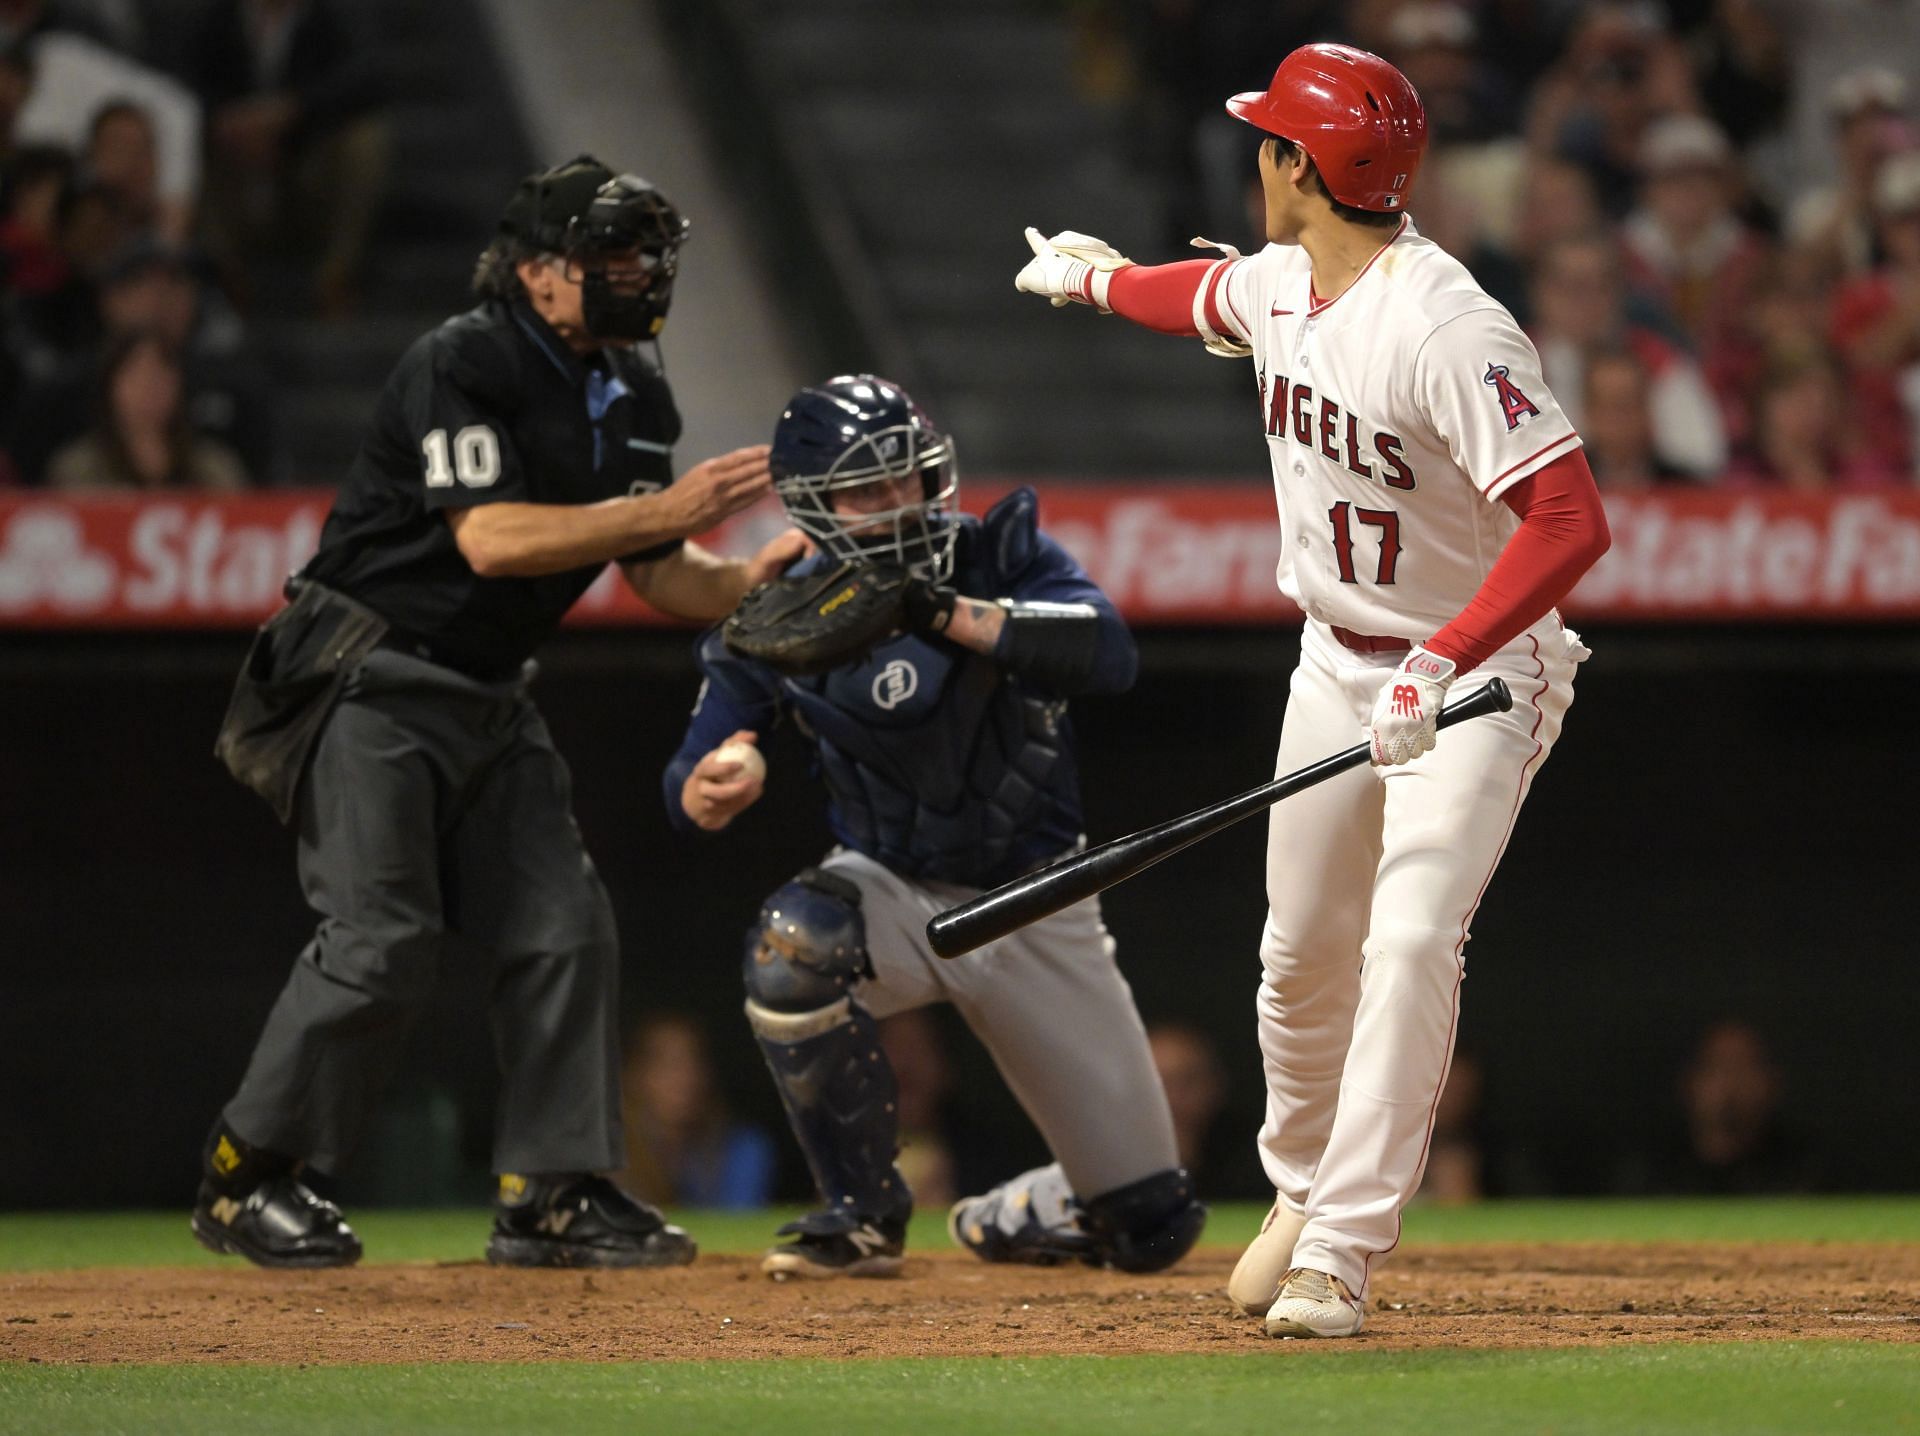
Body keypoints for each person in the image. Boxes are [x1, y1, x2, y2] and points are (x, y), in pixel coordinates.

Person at [1014, 44, 1610, 1338]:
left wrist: (1446, 653)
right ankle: (1300, 1183)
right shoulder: (1289, 281)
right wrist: (1100, 278)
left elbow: (1569, 519)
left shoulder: (1447, 324)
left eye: (1273, 143)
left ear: (1302, 166)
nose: (1257, 159)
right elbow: (1210, 298)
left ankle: (1340, 1246)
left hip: (1477, 673)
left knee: (1408, 941)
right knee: (1295, 958)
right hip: (1339, 658)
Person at [189, 154, 805, 1271]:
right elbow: (491, 537)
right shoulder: (463, 357)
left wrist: (760, 577)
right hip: (369, 668)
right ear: (539, 274)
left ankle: (552, 1191)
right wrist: (658, 511)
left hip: (489, 689)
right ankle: (248, 1173)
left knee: (565, 922)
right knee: (380, 940)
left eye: (647, 249)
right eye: (611, 251)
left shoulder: (635, 390)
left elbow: (662, 572)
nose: (640, 269)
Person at [663, 373, 1206, 1281]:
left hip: (1038, 896)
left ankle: (1029, 1209)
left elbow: (1107, 653)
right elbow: (691, 773)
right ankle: (862, 1213)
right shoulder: (780, 611)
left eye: (907, 478)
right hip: (896, 891)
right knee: (796, 945)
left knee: (1151, 1227)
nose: (898, 503)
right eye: (866, 489)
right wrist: (722, 775)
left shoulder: (996, 555)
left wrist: (942, 613)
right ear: (812, 505)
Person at [44, 326, 247, 490]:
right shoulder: (77, 469)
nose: (150, 387)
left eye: (161, 374)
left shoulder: (215, 466)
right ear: (109, 385)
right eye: (136, 375)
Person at [616, 1013, 777, 1211]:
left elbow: (739, 1221)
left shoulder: (744, 1148)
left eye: (693, 1061)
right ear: (633, 1074)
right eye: (666, 1064)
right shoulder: (607, 1160)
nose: (684, 1077)